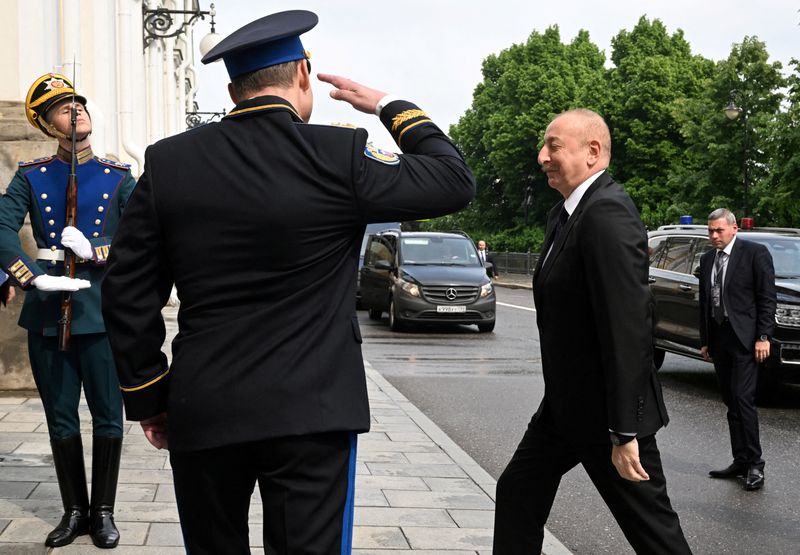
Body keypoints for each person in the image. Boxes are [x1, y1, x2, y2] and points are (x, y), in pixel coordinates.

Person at [100, 10, 475, 554]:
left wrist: (149, 394)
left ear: (232, 91)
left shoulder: (169, 163)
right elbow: (453, 181)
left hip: (205, 406)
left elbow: (127, 292)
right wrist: (389, 106)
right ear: (304, 74)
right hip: (312, 411)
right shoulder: (338, 154)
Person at [493, 109, 691, 554]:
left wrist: (625, 431)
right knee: (517, 494)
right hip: (565, 408)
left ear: (593, 151)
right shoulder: (565, 214)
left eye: (554, 146)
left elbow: (628, 328)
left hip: (606, 417)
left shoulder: (606, 212)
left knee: (654, 534)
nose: (542, 156)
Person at [0, 73, 136, 548]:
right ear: (46, 124)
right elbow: (0, 227)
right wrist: (27, 274)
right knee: (60, 417)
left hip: (99, 309)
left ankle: (103, 513)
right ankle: (73, 510)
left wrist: (98, 250)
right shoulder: (31, 175)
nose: (75, 111)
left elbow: (142, 236)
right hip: (46, 307)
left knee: (107, 416)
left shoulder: (119, 177)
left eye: (78, 103)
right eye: (62, 108)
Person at [699, 208, 775, 491]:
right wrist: (705, 340)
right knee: (730, 401)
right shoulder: (707, 259)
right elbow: (706, 303)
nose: (714, 236)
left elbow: (767, 298)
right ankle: (740, 460)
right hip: (720, 339)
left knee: (744, 400)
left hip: (746, 340)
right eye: (710, 231)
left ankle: (756, 464)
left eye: (719, 230)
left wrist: (764, 336)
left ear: (734, 229)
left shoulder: (754, 253)